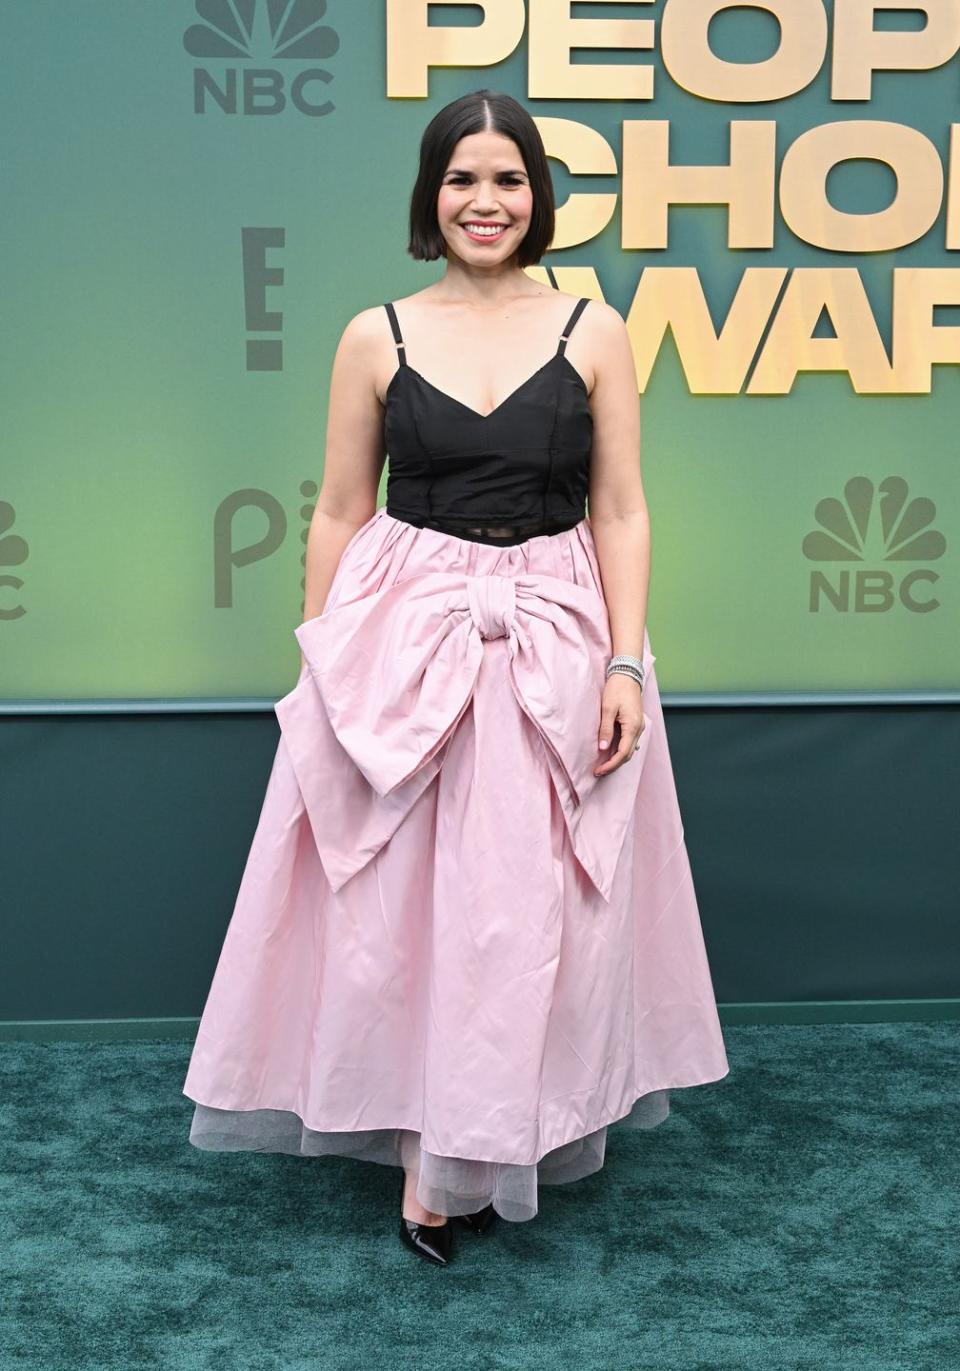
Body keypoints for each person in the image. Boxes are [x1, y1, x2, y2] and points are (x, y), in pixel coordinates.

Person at [182, 88, 729, 1268]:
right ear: (431, 196)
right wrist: (322, 663)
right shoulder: (373, 332)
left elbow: (622, 509)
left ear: (541, 196)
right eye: (463, 178)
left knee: (525, 913)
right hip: (404, 640)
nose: (487, 200)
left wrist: (628, 660)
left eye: (510, 178)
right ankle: (437, 1145)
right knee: (401, 911)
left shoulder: (596, 328)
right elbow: (339, 510)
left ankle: (473, 1151)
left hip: (557, 635)